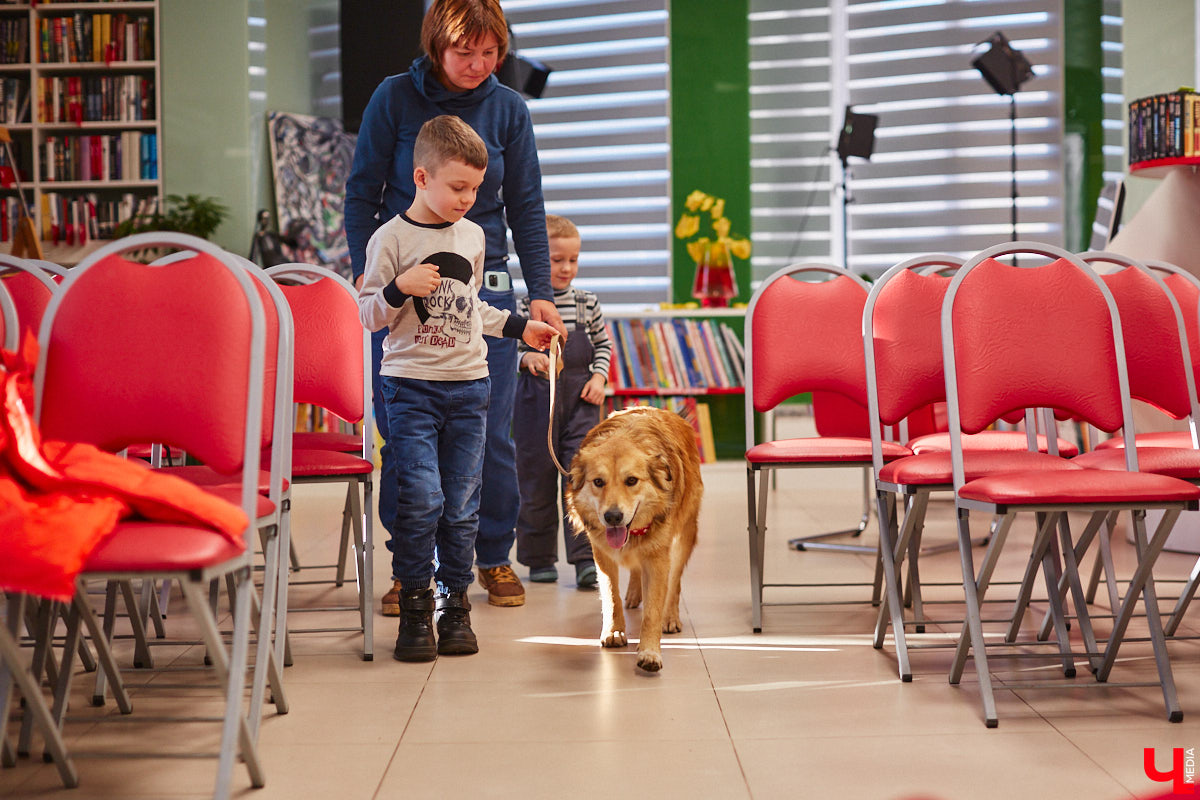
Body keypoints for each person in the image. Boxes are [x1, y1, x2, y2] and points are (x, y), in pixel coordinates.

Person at [345, 0, 566, 613]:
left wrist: (540, 294)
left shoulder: (508, 109)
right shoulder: (393, 99)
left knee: (489, 435)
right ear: (436, 47)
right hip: (404, 285)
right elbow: (362, 190)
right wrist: (370, 275)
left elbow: (525, 207)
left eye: (490, 51)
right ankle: (408, 569)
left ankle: (491, 557)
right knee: (404, 438)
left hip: (482, 283)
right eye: (464, 51)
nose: (478, 64)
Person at [357, 115, 557, 662]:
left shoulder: (473, 236)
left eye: (476, 188)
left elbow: (470, 309)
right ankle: (417, 607)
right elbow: (367, 315)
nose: (469, 199)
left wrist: (521, 328)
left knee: (463, 506)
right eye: (457, 187)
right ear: (421, 178)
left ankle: (455, 606)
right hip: (411, 388)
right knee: (423, 498)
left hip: (470, 387)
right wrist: (398, 288)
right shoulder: (390, 238)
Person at [513, 215, 611, 588]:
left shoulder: (588, 304)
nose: (566, 268)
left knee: (583, 480)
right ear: (539, 261)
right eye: (556, 260)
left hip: (582, 403)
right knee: (535, 482)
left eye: (573, 260)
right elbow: (505, 351)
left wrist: (600, 377)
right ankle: (538, 559)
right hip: (535, 405)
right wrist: (527, 358)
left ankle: (587, 558)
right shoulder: (523, 307)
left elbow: (602, 345)